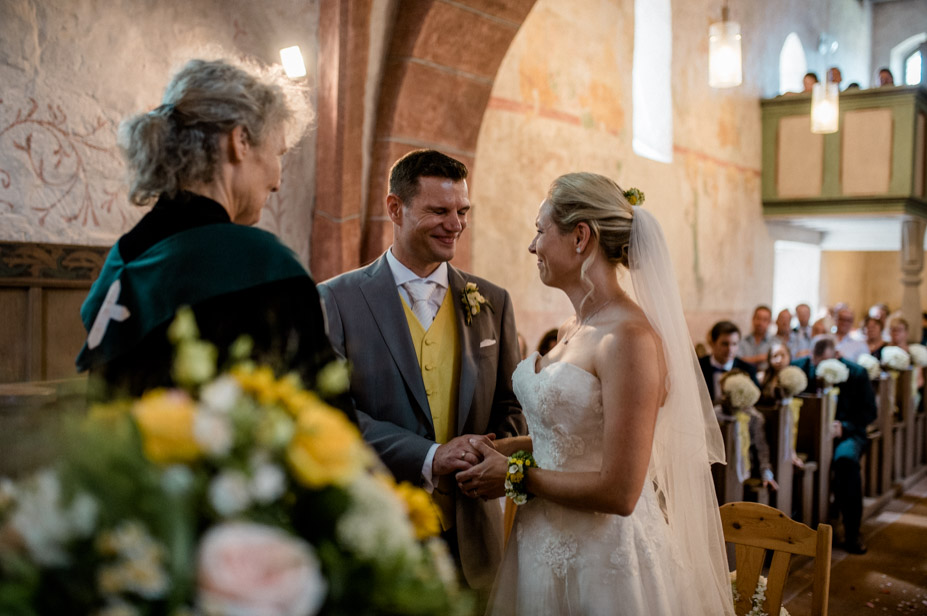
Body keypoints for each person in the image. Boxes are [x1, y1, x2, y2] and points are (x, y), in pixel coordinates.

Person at [457, 173, 733, 614]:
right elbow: (575, 438)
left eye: (540, 231)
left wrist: (513, 475)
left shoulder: (629, 338)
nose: (532, 247)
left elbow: (621, 492)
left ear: (580, 236)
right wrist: (499, 447)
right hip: (539, 544)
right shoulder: (573, 328)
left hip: (603, 561)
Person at [75, 58, 348, 410]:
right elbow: (326, 427)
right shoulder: (263, 267)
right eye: (279, 152)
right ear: (240, 141)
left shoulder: (126, 255)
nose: (279, 181)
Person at [317, 149, 527, 592]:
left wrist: (486, 455)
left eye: (462, 211)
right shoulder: (336, 300)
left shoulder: (492, 301)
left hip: (473, 538)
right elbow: (330, 414)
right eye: (439, 210)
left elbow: (511, 404)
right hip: (379, 530)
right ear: (395, 208)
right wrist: (430, 456)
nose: (455, 224)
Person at [792, 335, 876, 554]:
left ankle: (852, 532)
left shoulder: (857, 373)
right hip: (807, 434)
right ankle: (796, 529)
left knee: (845, 461)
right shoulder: (798, 368)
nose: (819, 369)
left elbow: (869, 413)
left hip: (848, 434)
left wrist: (844, 427)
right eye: (816, 364)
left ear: (837, 356)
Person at [699, 320, 759, 403]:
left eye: (734, 344)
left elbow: (756, 400)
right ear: (712, 343)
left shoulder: (747, 370)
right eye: (725, 344)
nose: (730, 349)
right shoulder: (698, 366)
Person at [738, 305, 773, 371]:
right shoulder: (742, 341)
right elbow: (738, 361)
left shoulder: (775, 342)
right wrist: (761, 358)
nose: (760, 323)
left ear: (769, 322)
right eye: (758, 318)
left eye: (765, 320)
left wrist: (749, 360)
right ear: (753, 319)